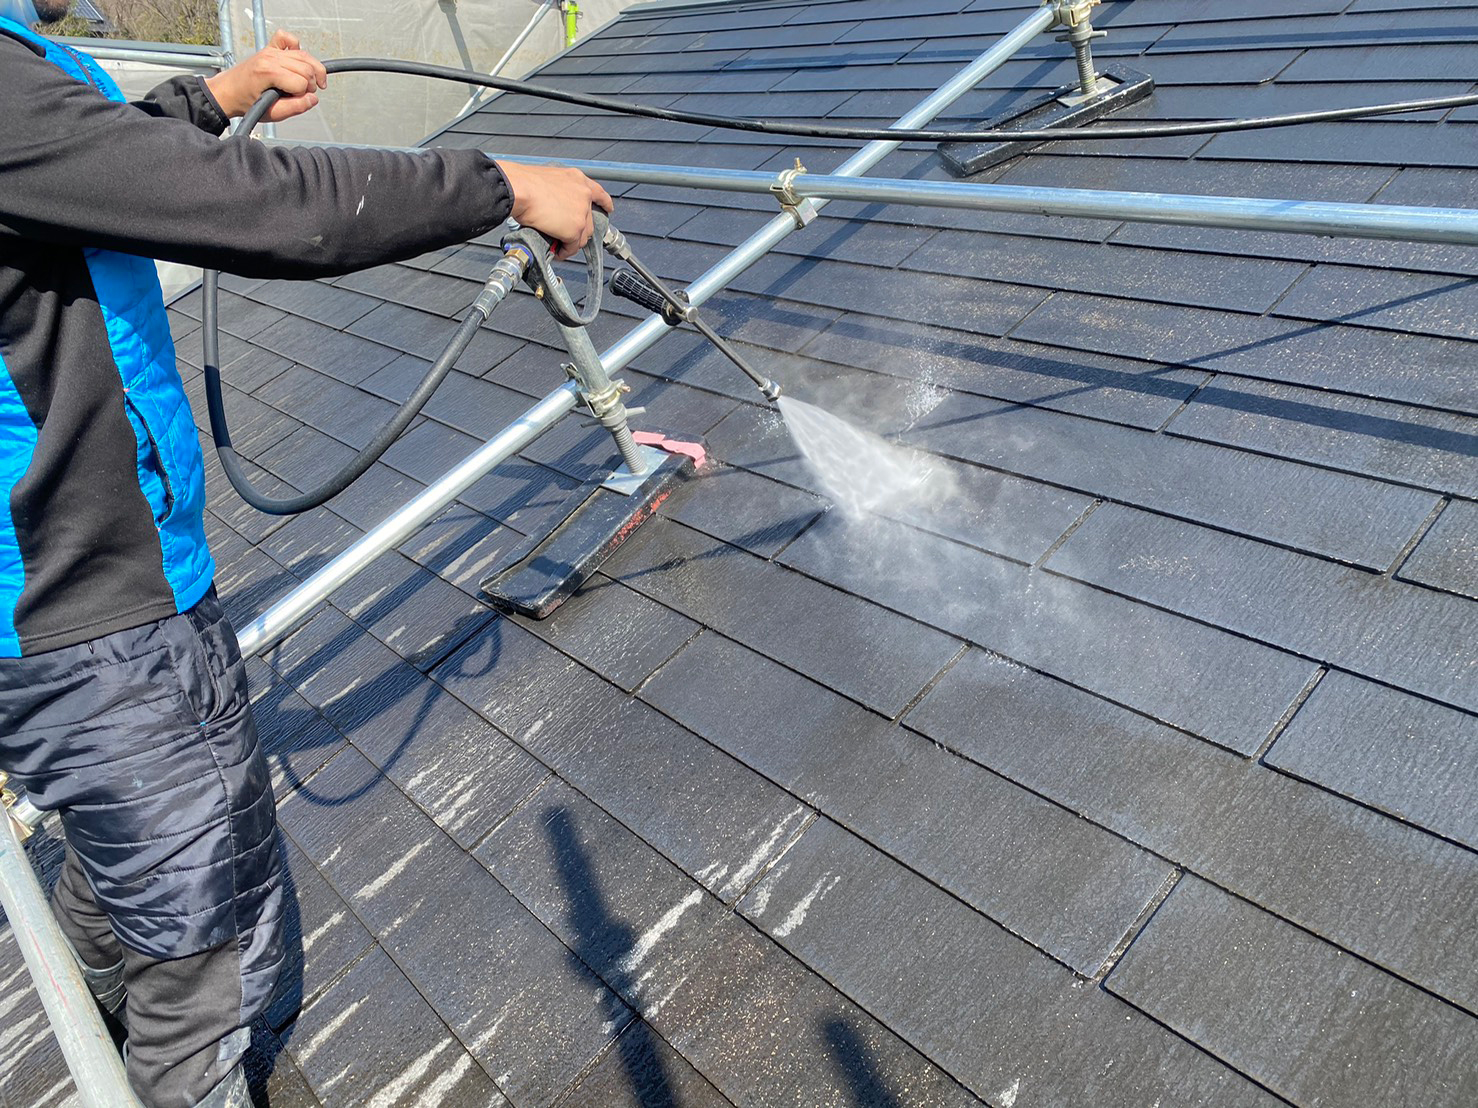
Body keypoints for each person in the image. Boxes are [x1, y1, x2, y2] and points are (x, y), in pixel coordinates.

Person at [0, 4, 613, 1105]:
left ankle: (120, 1011)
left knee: (137, 878)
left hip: (100, 588)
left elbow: (90, 165)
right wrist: (498, 187)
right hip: (85, 607)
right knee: (211, 959)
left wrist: (208, 101)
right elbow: (256, 207)